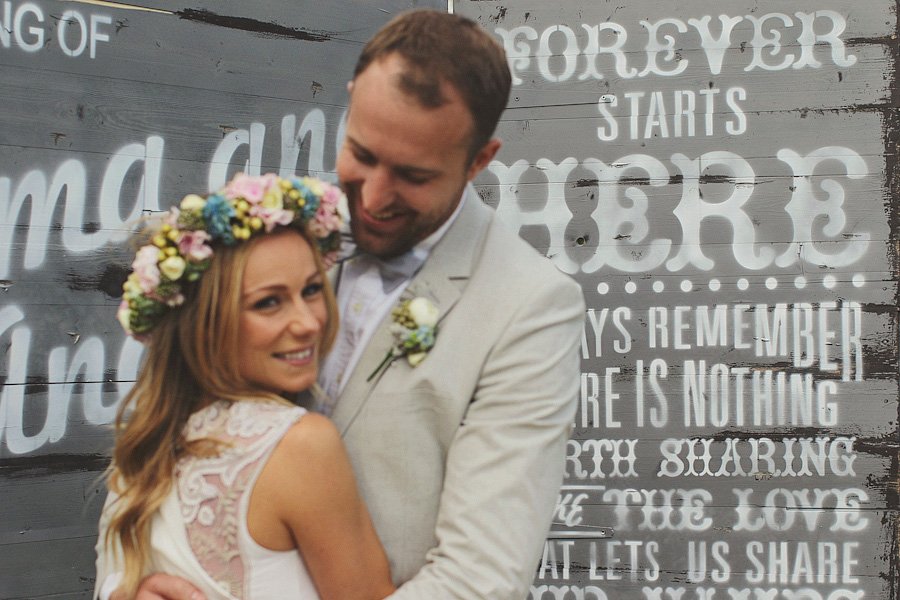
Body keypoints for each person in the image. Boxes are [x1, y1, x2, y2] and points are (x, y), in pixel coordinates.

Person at [119, 8, 585, 600]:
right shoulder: (284, 229)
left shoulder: (530, 306)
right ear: (350, 105)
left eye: (413, 176)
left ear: (479, 161)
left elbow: (479, 581)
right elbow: (162, 435)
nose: (374, 197)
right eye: (362, 155)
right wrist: (128, 587)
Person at [93, 173, 395, 600]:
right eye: (268, 302)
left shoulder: (143, 447)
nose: (308, 322)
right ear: (205, 324)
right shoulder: (301, 445)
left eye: (311, 290)